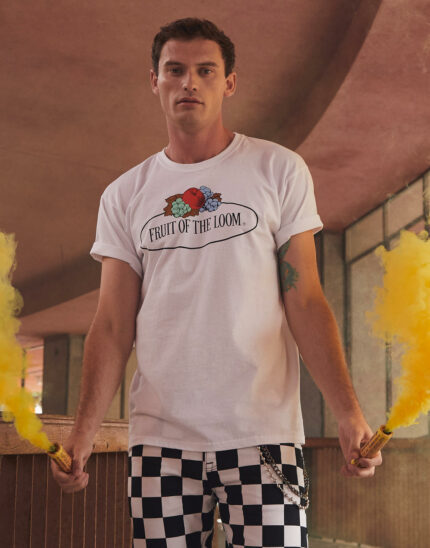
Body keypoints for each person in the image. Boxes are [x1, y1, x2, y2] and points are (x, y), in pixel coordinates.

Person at [50, 17, 383, 548]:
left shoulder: (278, 170)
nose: (189, 82)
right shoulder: (124, 195)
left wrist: (348, 412)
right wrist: (83, 433)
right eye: (174, 70)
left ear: (229, 82)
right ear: (154, 81)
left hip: (264, 436)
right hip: (160, 444)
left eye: (206, 70)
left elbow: (304, 298)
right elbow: (112, 324)